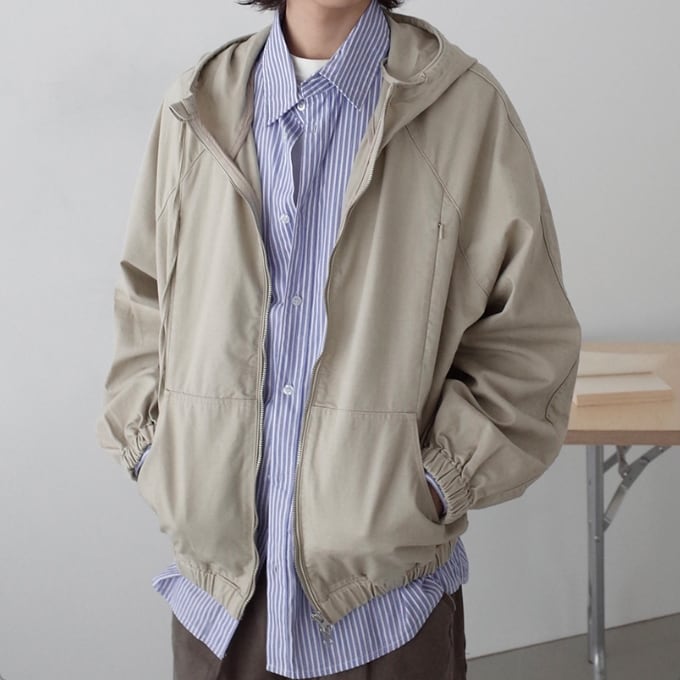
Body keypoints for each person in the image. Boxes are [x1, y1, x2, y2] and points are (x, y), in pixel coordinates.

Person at [96, 0, 582, 677]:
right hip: (216, 612)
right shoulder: (196, 105)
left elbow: (528, 341)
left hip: (385, 614)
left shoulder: (465, 108)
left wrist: (432, 484)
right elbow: (146, 301)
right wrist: (157, 456)